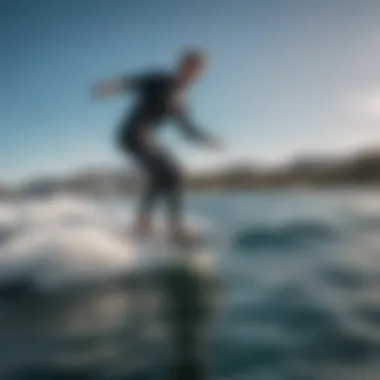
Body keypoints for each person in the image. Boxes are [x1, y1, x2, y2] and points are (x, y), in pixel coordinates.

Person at [92, 49, 223, 244]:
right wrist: (107, 88)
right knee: (173, 171)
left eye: (198, 69)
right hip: (131, 135)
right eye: (191, 66)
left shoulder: (181, 99)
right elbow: (132, 82)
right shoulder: (160, 80)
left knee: (162, 176)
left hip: (146, 139)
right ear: (182, 65)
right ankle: (174, 229)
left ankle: (142, 224)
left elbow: (186, 129)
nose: (194, 72)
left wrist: (207, 139)